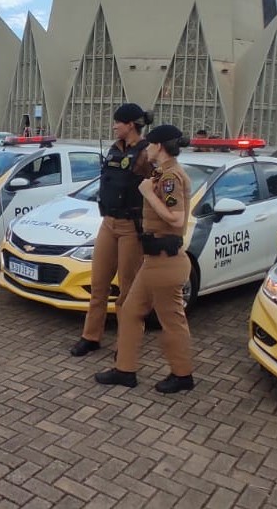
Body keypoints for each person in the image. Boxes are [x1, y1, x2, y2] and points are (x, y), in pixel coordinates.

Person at [95, 124, 194, 394]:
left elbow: (176, 218)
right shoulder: (162, 173)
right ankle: (125, 370)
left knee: (170, 320)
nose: (146, 148)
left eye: (150, 144)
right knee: (130, 311)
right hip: (155, 260)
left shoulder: (170, 177)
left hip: (164, 261)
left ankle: (182, 374)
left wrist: (148, 194)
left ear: (159, 146)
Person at [70, 103, 153, 357]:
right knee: (99, 284)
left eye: (118, 122)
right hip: (108, 223)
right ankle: (91, 336)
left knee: (128, 290)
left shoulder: (146, 154)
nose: (114, 125)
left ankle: (125, 345)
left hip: (131, 227)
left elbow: (155, 192)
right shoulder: (114, 150)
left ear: (130, 125)